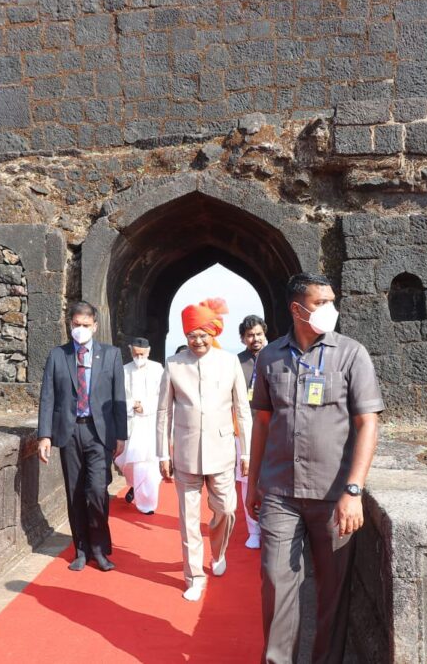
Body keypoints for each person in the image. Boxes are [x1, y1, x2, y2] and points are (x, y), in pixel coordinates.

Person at [245, 273, 384, 664]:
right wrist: (253, 483)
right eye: (321, 302)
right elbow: (262, 423)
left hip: (333, 494)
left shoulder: (351, 354)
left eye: (331, 301)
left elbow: (368, 423)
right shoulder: (270, 356)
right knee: (275, 584)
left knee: (332, 592)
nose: (330, 309)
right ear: (297, 308)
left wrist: (354, 490)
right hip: (280, 493)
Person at [157, 298, 252, 602]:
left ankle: (218, 551)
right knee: (188, 521)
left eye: (202, 335)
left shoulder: (229, 362)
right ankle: (194, 576)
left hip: (222, 452)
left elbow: (242, 410)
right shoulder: (174, 364)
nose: (197, 341)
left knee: (226, 509)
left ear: (213, 333)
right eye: (191, 335)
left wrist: (247, 451)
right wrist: (163, 453)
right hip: (185, 453)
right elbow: (164, 413)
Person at [37, 301, 127, 573]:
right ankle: (81, 549)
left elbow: (119, 397)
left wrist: (121, 435)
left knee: (97, 491)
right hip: (70, 430)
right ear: (70, 325)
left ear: (95, 326)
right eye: (76, 324)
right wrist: (44, 435)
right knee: (75, 492)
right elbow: (48, 396)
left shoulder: (111, 355)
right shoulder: (58, 355)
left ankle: (99, 548)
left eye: (86, 325)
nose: (81, 329)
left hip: (99, 432)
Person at [116, 337, 165, 515]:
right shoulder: (124, 370)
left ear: (148, 351)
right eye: (136, 354)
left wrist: (145, 407)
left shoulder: (157, 369)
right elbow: (118, 396)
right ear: (130, 351)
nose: (139, 357)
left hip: (150, 423)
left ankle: (147, 504)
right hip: (131, 422)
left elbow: (163, 396)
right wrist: (132, 405)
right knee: (128, 463)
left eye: (142, 354)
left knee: (148, 464)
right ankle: (134, 486)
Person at [236, 314, 268, 549]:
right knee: (248, 480)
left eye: (258, 334)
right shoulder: (236, 362)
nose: (255, 339)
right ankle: (253, 530)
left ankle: (272, 528)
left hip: (274, 428)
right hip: (245, 430)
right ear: (242, 338)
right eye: (250, 335)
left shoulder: (277, 356)